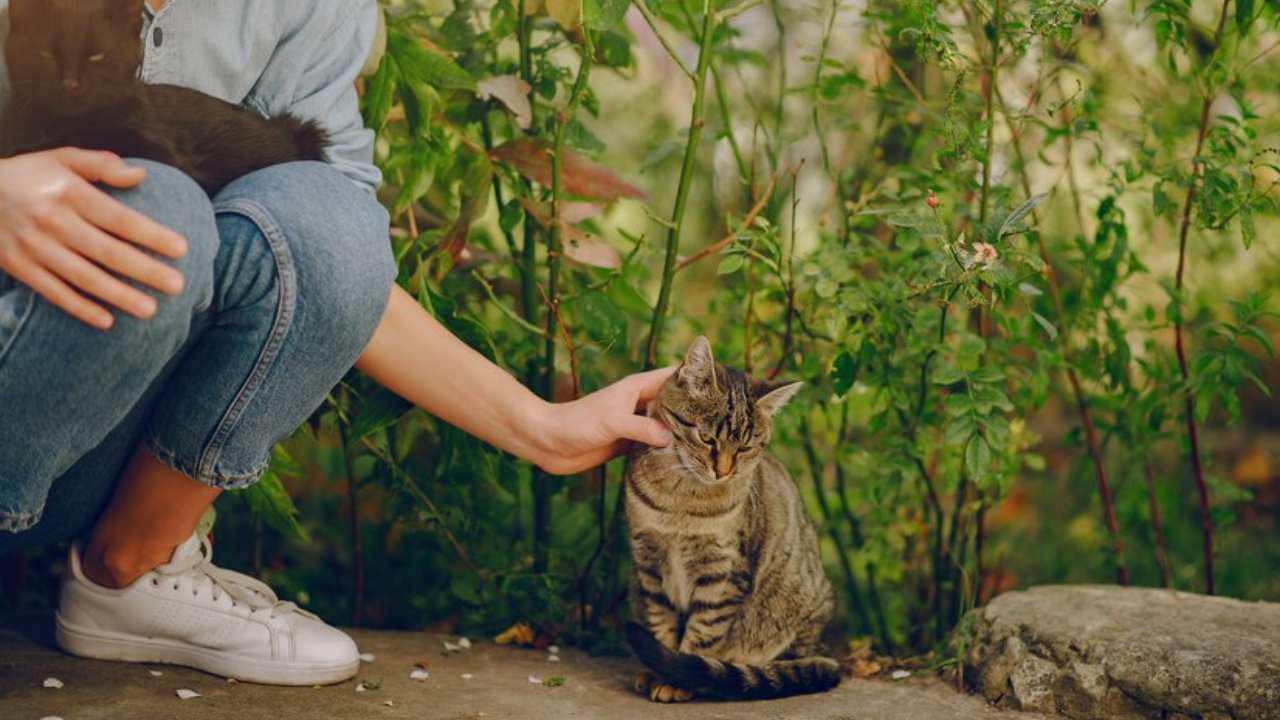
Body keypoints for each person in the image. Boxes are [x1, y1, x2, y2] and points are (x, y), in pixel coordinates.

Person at [0, 0, 673, 686]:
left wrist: (546, 429)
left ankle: (129, 571)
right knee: (153, 204)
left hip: (84, 454)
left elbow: (333, 268)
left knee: (323, 217)